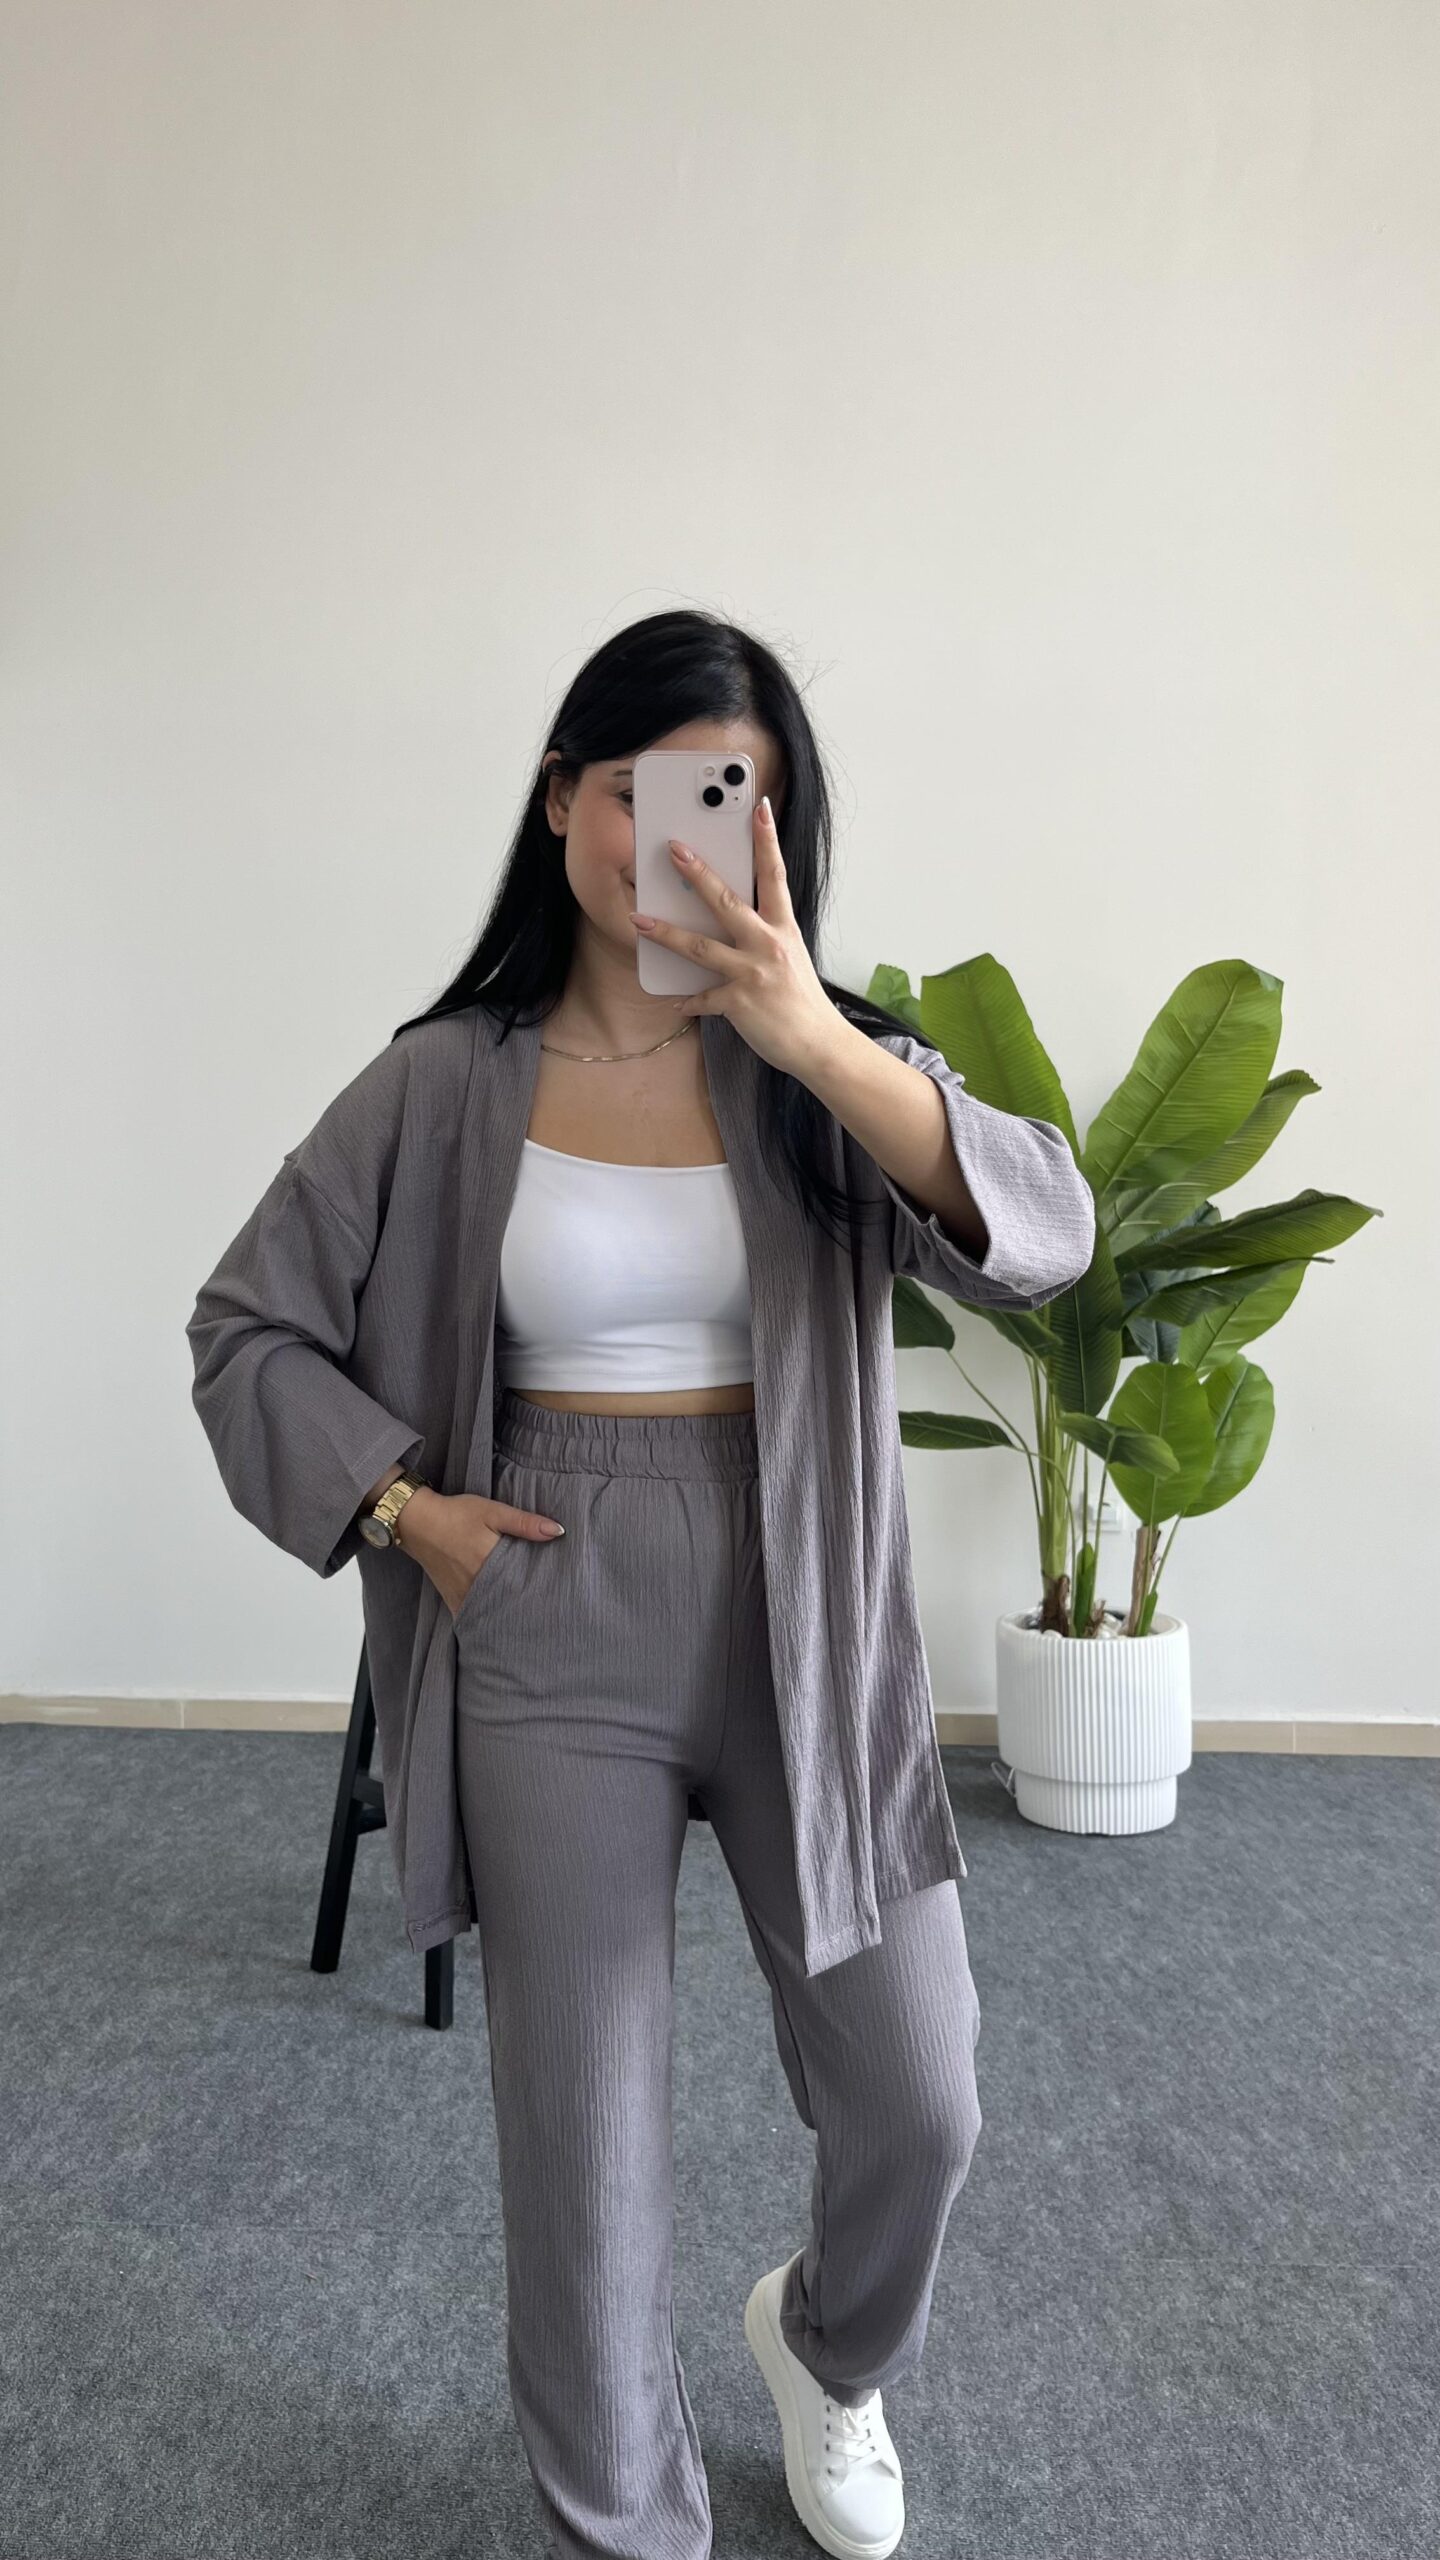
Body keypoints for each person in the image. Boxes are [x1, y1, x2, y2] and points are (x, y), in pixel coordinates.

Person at [187, 608, 1096, 2560]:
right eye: (634, 788)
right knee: (587, 2156)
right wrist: (404, 1510)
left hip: (800, 1602)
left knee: (920, 2093)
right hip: (545, 1606)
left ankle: (829, 2349)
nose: (669, 836)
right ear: (560, 802)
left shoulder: (818, 1065)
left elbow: (1045, 1234)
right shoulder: (445, 1081)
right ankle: (624, 2528)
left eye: (724, 794)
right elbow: (246, 1328)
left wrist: (814, 1034)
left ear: (775, 823)